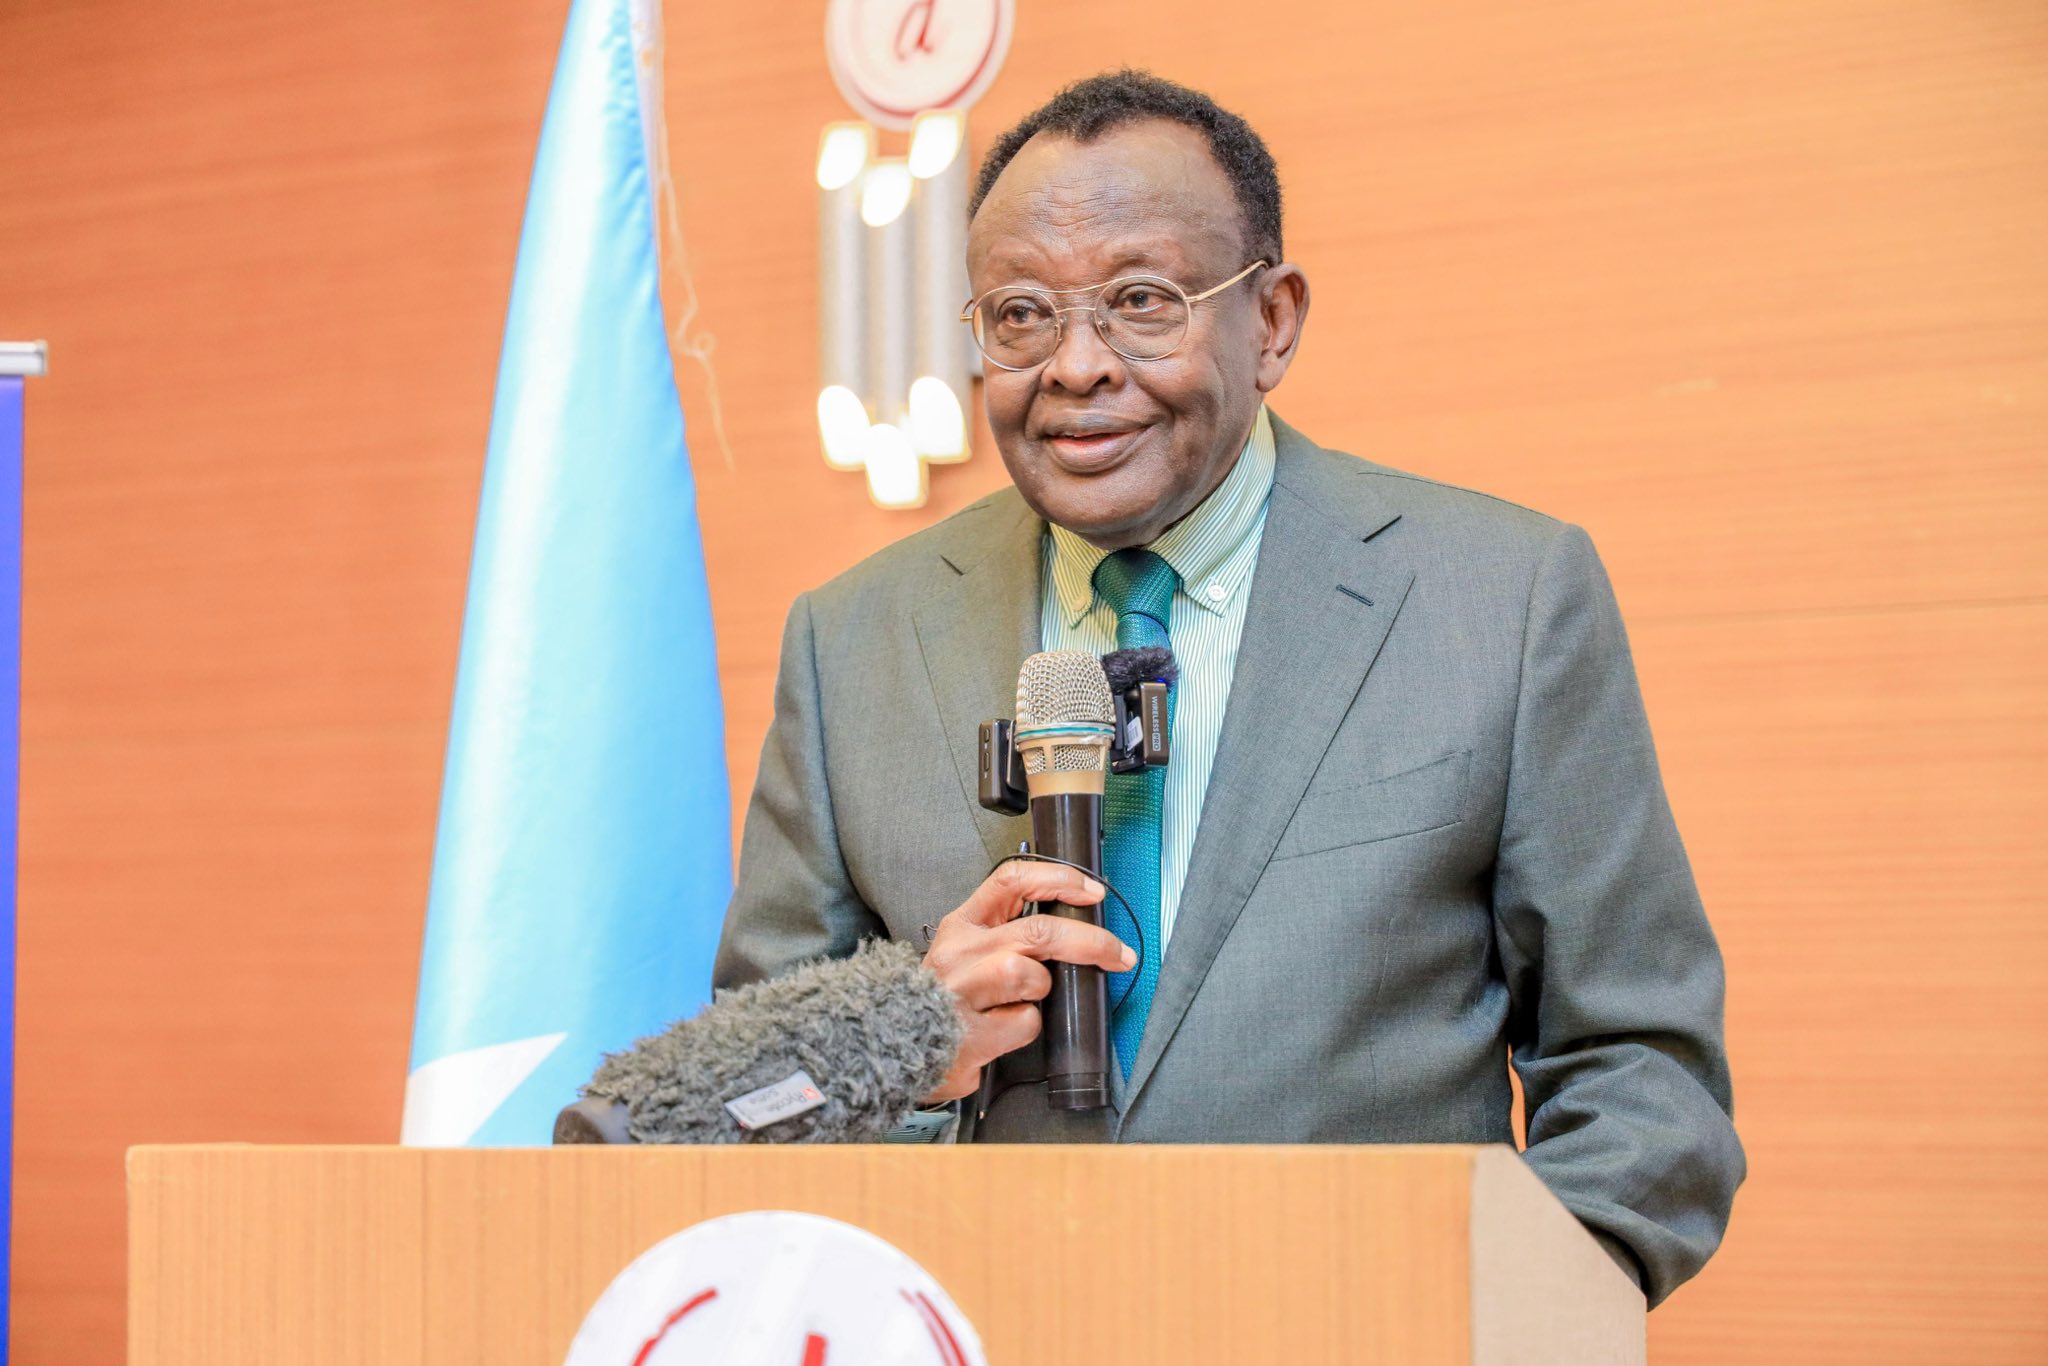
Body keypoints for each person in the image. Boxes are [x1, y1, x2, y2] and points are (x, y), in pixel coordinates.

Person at [713, 70, 1743, 1306]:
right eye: (1021, 314)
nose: (1075, 366)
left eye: (1140, 302)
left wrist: (1493, 1314)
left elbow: (1638, 1074)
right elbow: (742, 1094)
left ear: (1272, 320)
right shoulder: (852, 640)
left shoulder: (1500, 600)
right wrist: (903, 1045)